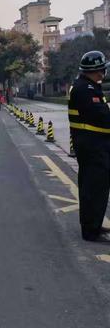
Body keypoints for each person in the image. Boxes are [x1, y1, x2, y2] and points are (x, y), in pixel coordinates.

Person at [69, 51, 110, 241]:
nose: (104, 72)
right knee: (95, 188)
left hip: (93, 144)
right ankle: (91, 230)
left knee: (93, 187)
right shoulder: (85, 89)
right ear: (97, 70)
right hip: (92, 146)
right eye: (102, 68)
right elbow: (101, 115)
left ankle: (93, 225)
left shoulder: (89, 86)